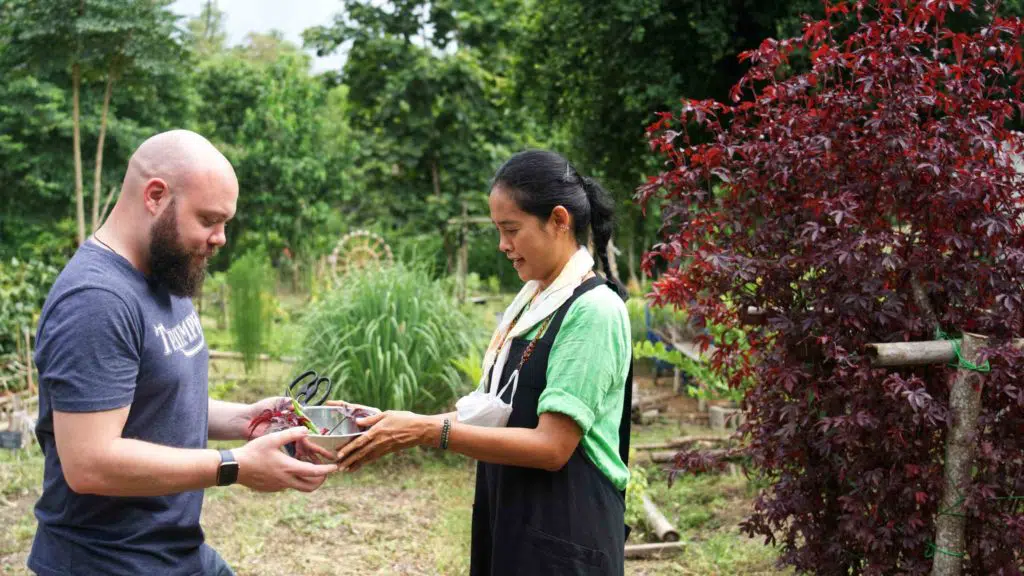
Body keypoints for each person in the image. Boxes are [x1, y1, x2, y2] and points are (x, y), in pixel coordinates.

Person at [27, 130, 338, 576]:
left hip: (173, 553)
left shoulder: (167, 271)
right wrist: (235, 467)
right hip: (107, 562)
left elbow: (156, 401)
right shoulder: (96, 299)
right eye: (210, 219)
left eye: (225, 223)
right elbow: (89, 463)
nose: (221, 238)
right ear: (155, 196)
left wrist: (249, 417)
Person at [333, 149, 633, 575]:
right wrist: (393, 423)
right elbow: (501, 413)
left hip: (566, 533)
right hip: (513, 518)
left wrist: (423, 431)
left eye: (511, 229)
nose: (502, 245)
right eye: (498, 230)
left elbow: (552, 447)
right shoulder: (533, 303)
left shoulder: (593, 311)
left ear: (559, 220)